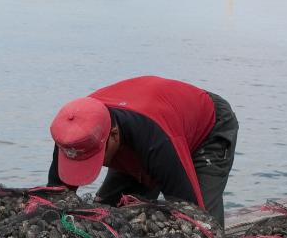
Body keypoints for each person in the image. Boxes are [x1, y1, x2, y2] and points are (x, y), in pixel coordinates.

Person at [47, 75, 239, 224]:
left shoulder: (157, 142)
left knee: (201, 225)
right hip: (144, 128)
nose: (91, 164)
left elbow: (192, 214)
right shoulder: (74, 131)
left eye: (96, 157)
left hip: (208, 128)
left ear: (113, 135)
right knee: (105, 219)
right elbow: (56, 198)